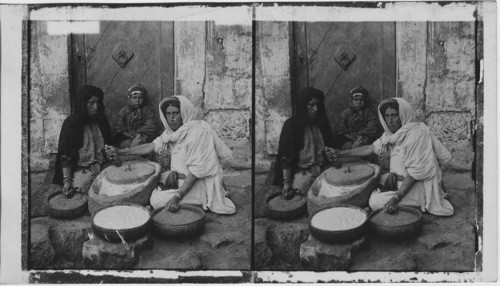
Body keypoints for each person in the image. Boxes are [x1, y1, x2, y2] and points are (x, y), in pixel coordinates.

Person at [106, 95, 235, 214]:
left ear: (184, 113)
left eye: (175, 113)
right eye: (168, 114)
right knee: (149, 181)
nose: (171, 118)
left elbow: (196, 172)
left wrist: (176, 198)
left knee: (155, 201)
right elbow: (152, 146)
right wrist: (120, 151)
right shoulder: (171, 133)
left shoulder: (198, 131)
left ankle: (202, 201)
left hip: (199, 183)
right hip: (181, 178)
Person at [332, 98, 454, 216]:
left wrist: (395, 198)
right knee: (369, 181)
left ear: (403, 115)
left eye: (394, 115)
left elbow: (413, 175)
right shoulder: (390, 135)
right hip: (399, 180)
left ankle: (421, 202)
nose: (390, 121)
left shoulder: (417, 133)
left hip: (419, 185)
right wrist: (342, 153)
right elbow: (371, 148)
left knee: (374, 202)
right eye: (387, 116)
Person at [273, 87, 342, 199]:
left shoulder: (322, 123)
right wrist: (286, 183)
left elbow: (330, 147)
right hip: (303, 171)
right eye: (311, 104)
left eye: (318, 105)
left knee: (338, 186)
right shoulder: (291, 125)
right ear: (303, 106)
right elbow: (286, 158)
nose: (316, 109)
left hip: (323, 167)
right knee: (302, 192)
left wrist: (331, 156)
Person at [53, 85, 114, 197]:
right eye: (91, 103)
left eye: (98, 103)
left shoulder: (101, 120)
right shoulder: (71, 124)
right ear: (82, 104)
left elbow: (109, 146)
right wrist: (66, 181)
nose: (96, 107)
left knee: (118, 179)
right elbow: (66, 156)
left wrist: (111, 154)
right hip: (83, 169)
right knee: (85, 186)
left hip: (102, 164)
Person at [337, 86, 381, 150]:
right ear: (351, 101)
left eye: (362, 100)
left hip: (365, 139)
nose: (359, 102)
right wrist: (352, 138)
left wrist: (361, 136)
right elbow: (340, 129)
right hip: (349, 139)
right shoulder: (346, 113)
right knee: (347, 147)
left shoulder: (368, 113)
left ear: (365, 101)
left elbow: (372, 127)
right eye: (356, 100)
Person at [113, 84, 157, 148]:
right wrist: (126, 134)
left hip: (142, 137)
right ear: (129, 98)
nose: (137, 100)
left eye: (140, 98)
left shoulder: (146, 111)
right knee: (126, 144)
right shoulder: (124, 111)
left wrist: (140, 134)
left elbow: (151, 123)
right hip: (127, 137)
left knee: (143, 146)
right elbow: (118, 124)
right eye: (134, 97)